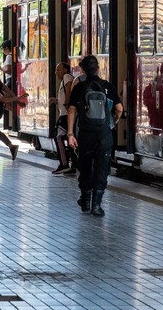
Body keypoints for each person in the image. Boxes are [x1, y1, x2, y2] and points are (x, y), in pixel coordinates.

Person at [67, 55, 123, 217]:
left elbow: (71, 111)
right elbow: (119, 109)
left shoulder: (79, 87)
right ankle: (96, 206)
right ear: (98, 68)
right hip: (104, 134)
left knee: (85, 166)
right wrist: (112, 123)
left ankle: (85, 201)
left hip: (86, 134)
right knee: (102, 168)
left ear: (83, 70)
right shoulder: (108, 87)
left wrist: (70, 134)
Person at [52, 62, 77, 175]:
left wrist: (67, 104)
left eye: (58, 69)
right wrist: (55, 101)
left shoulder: (67, 77)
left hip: (66, 114)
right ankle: (73, 165)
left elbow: (69, 87)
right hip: (65, 113)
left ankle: (64, 164)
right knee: (70, 139)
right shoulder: (65, 79)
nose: (56, 72)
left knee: (58, 137)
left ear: (65, 70)